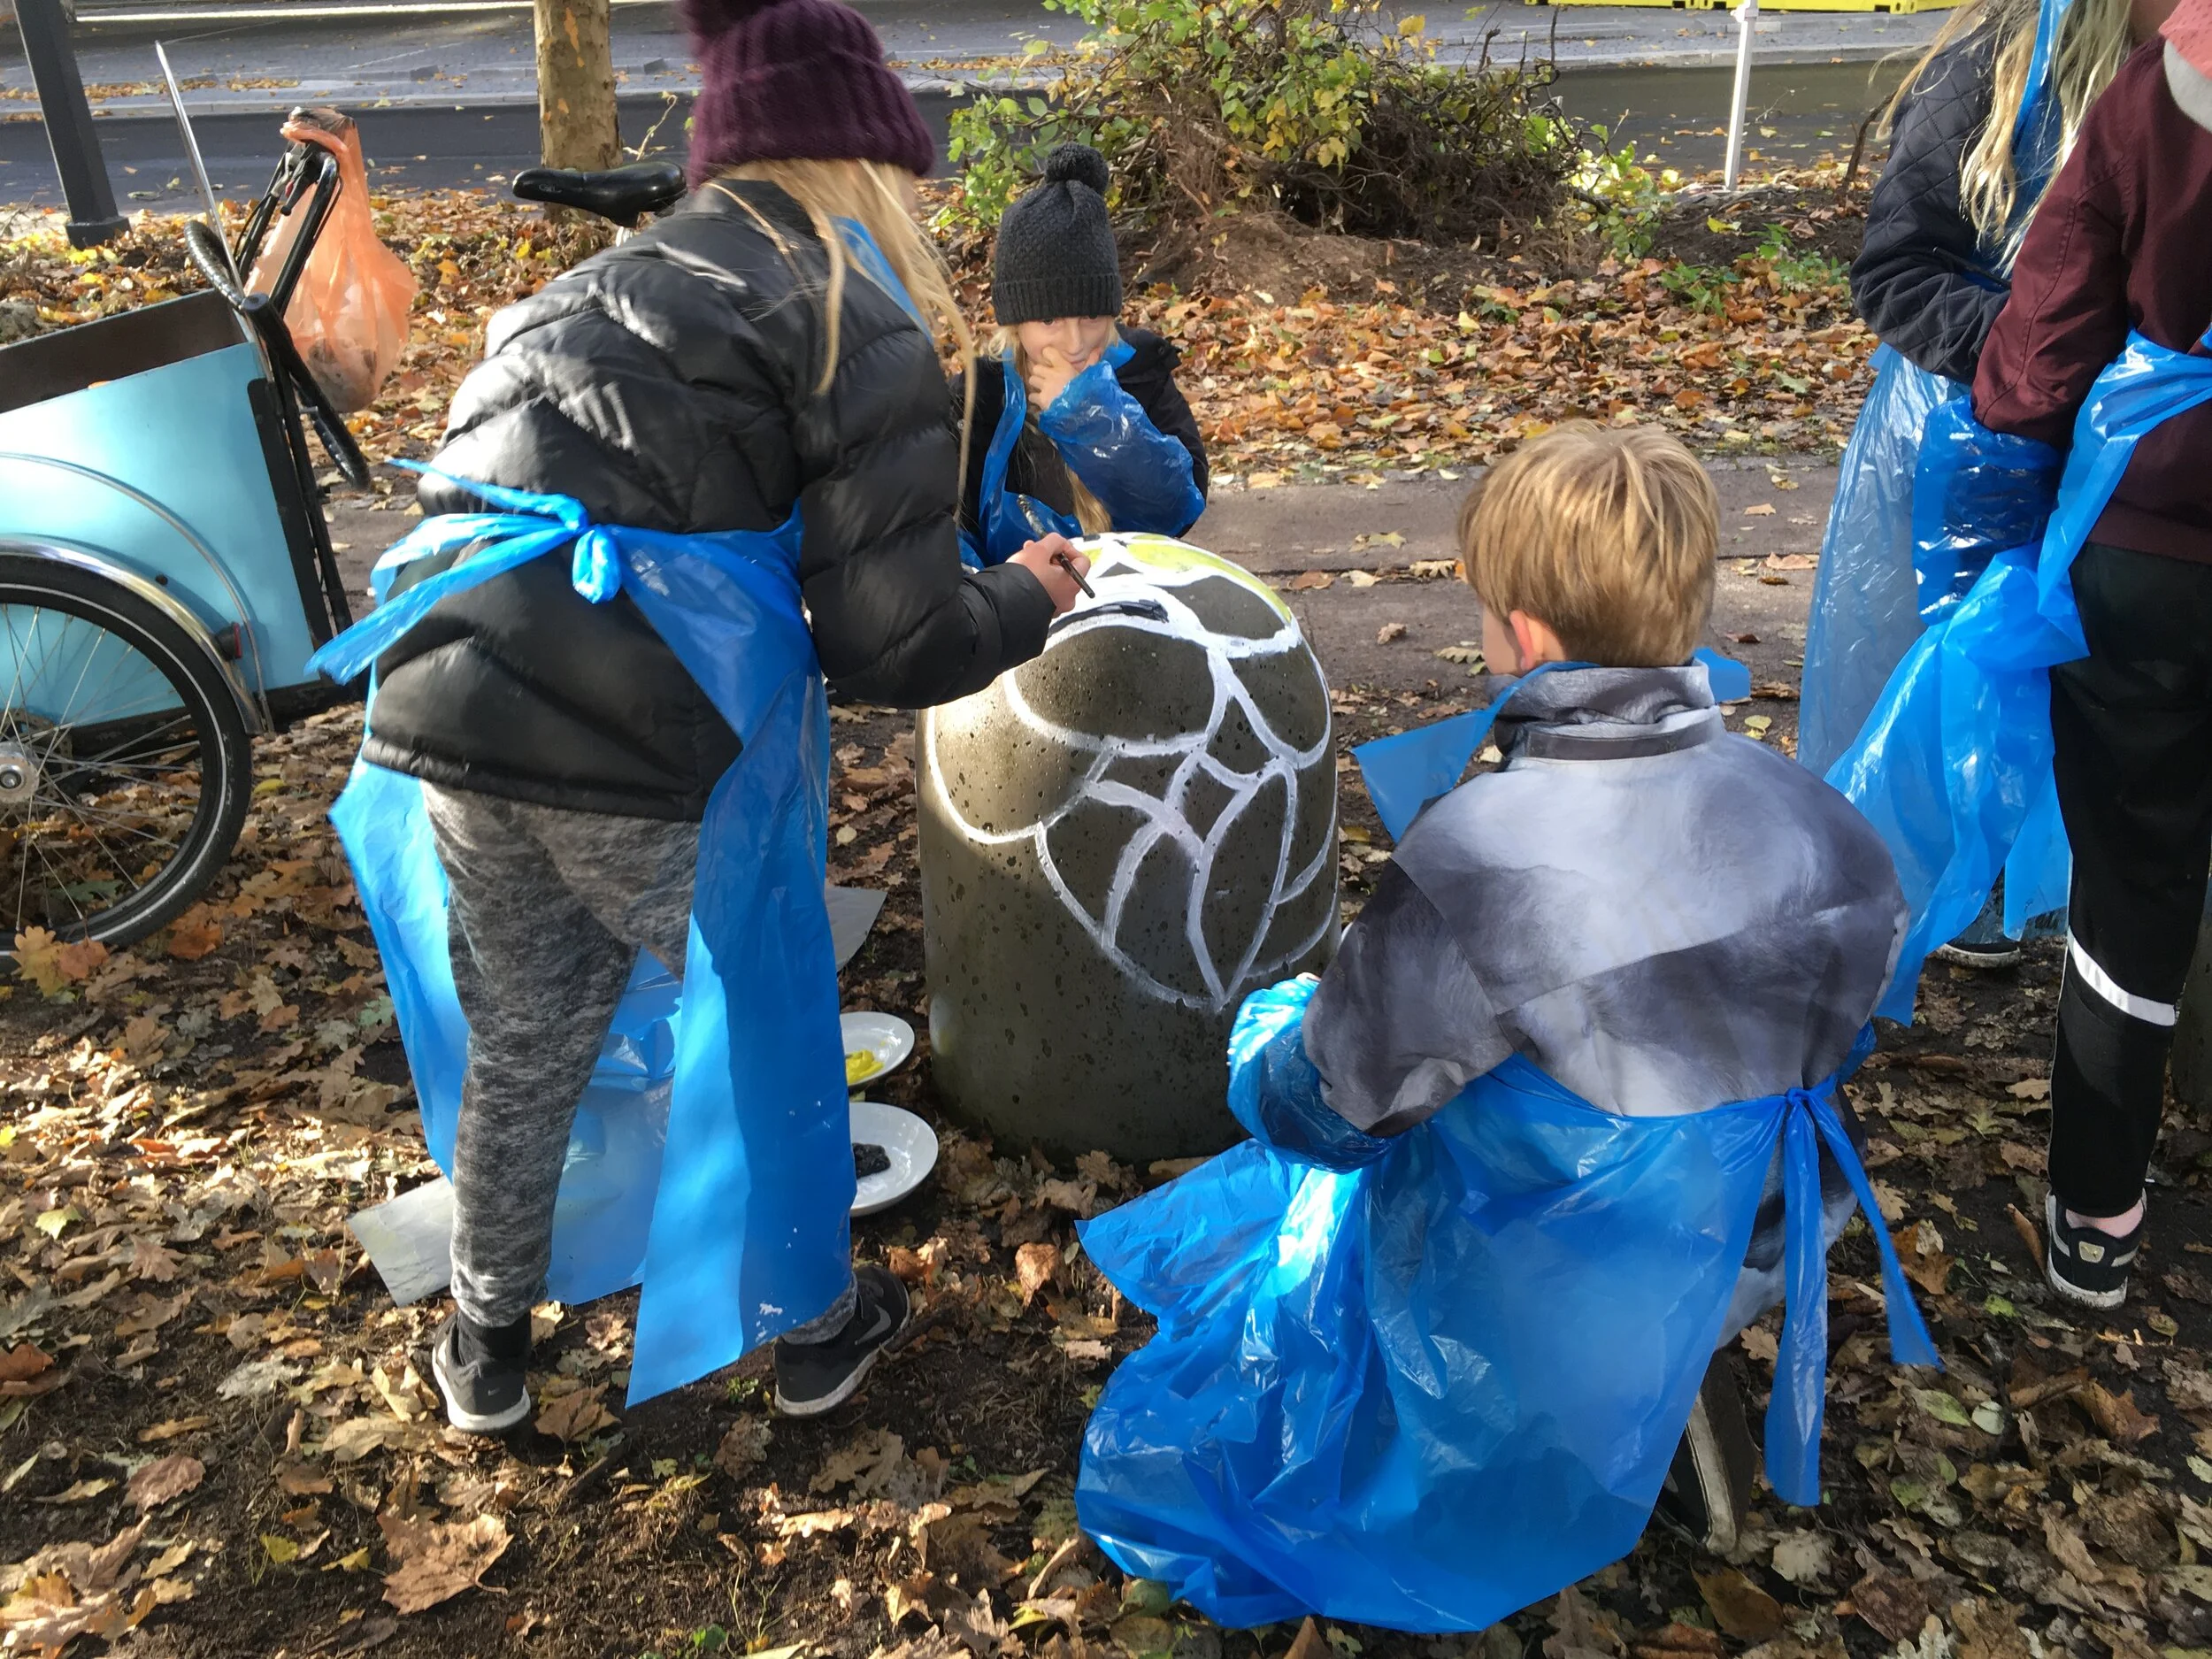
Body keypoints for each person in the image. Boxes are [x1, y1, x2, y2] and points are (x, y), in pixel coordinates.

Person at [350, 0, 1091, 1432]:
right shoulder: (846, 307)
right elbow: (893, 641)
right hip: (644, 735)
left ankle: (486, 1344)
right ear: (867, 163)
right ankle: (815, 1327)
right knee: (765, 1011)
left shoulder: (590, 285)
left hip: (448, 699)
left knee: (528, 1034)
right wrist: (1027, 592)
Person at [1072, 424, 1930, 1631]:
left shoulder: (1486, 857)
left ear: (1522, 632)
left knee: (1307, 1162)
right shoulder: (1821, 822)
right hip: (1754, 1236)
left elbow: (1326, 1112)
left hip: (1551, 1283)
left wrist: (1268, 1035)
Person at [1803, 0, 2148, 966]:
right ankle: (1954, 880)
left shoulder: (2184, 85)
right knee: (1953, 668)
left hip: (2122, 444)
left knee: (2088, 663)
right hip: (1966, 437)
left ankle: (2050, 877)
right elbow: (1895, 270)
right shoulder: (1989, 75)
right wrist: (2044, 356)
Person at [1971, 0, 2212, 1308]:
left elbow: (2032, 366)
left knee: (2131, 880)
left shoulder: (2157, 93)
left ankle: (2096, 1220)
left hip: (2154, 558)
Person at [953, 143, 1209, 565]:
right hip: (1018, 604)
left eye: (1090, 317)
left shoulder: (1143, 372)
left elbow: (1175, 510)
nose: (1074, 344)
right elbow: (945, 536)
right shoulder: (978, 398)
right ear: (1016, 323)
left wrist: (1090, 413)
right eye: (1049, 320)